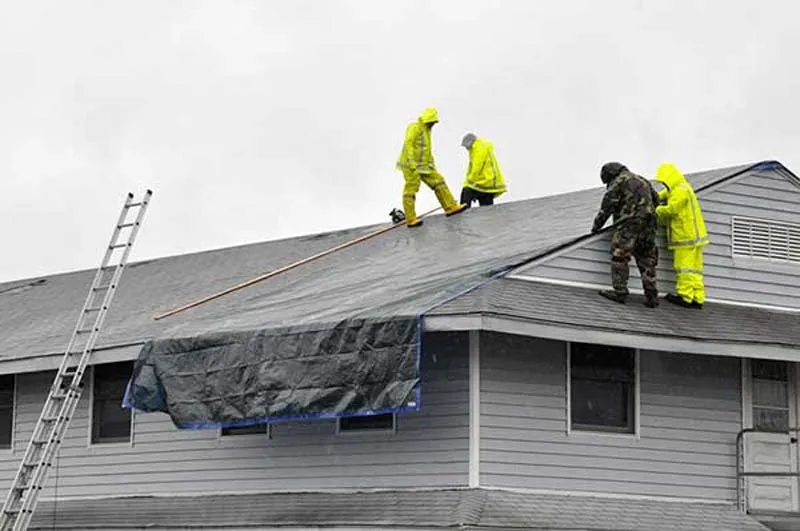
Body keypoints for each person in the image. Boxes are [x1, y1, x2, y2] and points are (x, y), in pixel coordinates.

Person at [591, 162, 660, 308]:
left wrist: (596, 227)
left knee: (620, 256)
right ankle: (651, 296)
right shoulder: (643, 180)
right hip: (649, 224)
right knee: (647, 260)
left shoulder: (619, 181)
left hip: (629, 224)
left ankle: (620, 292)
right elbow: (657, 200)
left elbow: (607, 207)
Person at [395, 108, 466, 227]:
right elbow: (409, 144)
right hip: (410, 166)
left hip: (424, 166)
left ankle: (450, 207)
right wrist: (412, 163)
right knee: (411, 190)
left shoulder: (427, 130)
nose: (433, 124)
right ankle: (411, 219)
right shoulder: (414, 127)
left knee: (439, 182)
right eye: (432, 122)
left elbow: (426, 150)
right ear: (428, 119)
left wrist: (431, 163)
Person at [654, 162, 709, 309]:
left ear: (669, 178)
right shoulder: (681, 187)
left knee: (683, 267)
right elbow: (663, 194)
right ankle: (697, 298)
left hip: (685, 236)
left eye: (663, 181)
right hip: (694, 237)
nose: (663, 185)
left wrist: (654, 210)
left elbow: (671, 210)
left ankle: (685, 297)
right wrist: (653, 196)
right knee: (695, 269)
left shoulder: (679, 192)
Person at [459, 133, 507, 207]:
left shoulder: (478, 148)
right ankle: (488, 216)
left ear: (469, 143)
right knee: (486, 206)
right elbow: (472, 166)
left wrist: (469, 181)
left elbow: (477, 166)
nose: (466, 149)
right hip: (487, 181)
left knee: (466, 192)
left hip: (484, 180)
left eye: (466, 147)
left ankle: (463, 215)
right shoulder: (478, 147)